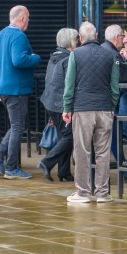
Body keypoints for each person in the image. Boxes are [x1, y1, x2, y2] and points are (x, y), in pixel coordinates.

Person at [63, 21, 119, 204]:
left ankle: (83, 192)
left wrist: (67, 108)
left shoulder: (75, 54)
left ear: (80, 38)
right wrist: (111, 106)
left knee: (82, 151)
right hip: (104, 109)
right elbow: (114, 87)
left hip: (83, 109)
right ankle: (103, 193)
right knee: (103, 152)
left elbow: (69, 85)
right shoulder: (109, 55)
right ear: (96, 36)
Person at [0, 5, 41, 180]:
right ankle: (11, 167)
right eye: (28, 18)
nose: (28, 22)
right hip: (16, 90)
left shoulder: (1, 34)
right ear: (22, 18)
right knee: (18, 127)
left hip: (3, 88)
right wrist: (35, 58)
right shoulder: (19, 36)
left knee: (15, 125)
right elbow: (19, 60)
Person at [37, 27, 78, 182]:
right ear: (70, 42)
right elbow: (70, 84)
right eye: (76, 39)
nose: (78, 42)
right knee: (70, 136)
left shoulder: (54, 56)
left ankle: (64, 172)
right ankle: (46, 162)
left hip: (49, 102)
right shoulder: (69, 59)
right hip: (61, 104)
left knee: (64, 137)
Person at [101, 24, 127, 162]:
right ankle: (124, 167)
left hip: (101, 99)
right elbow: (125, 77)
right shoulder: (114, 54)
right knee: (113, 134)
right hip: (110, 99)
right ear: (116, 38)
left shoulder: (101, 49)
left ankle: (123, 166)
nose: (123, 38)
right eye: (122, 35)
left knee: (109, 135)